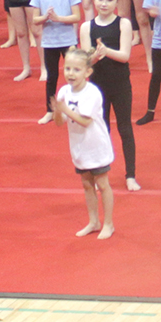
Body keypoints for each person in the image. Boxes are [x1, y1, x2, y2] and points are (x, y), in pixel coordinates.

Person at [81, 0, 138, 190]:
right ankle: (100, 173)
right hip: (97, 86)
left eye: (109, 0)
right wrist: (96, 55)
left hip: (120, 83)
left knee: (125, 128)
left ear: (117, 1)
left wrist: (105, 51)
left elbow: (124, 56)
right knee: (100, 129)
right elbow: (86, 62)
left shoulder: (123, 23)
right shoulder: (87, 27)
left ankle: (130, 175)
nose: (104, 4)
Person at [54, 48, 115, 239]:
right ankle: (93, 221)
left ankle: (109, 223)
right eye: (67, 68)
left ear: (87, 72)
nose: (70, 73)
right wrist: (57, 110)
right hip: (79, 146)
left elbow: (85, 120)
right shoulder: (64, 91)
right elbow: (59, 122)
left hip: (96, 145)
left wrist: (64, 108)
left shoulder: (92, 92)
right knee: (87, 184)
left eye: (76, 70)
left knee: (102, 184)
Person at [31, 0, 84, 124]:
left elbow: (77, 16)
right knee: (51, 77)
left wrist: (58, 18)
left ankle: (79, 107)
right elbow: (35, 19)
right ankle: (50, 110)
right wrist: (46, 17)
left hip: (67, 40)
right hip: (49, 42)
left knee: (75, 74)